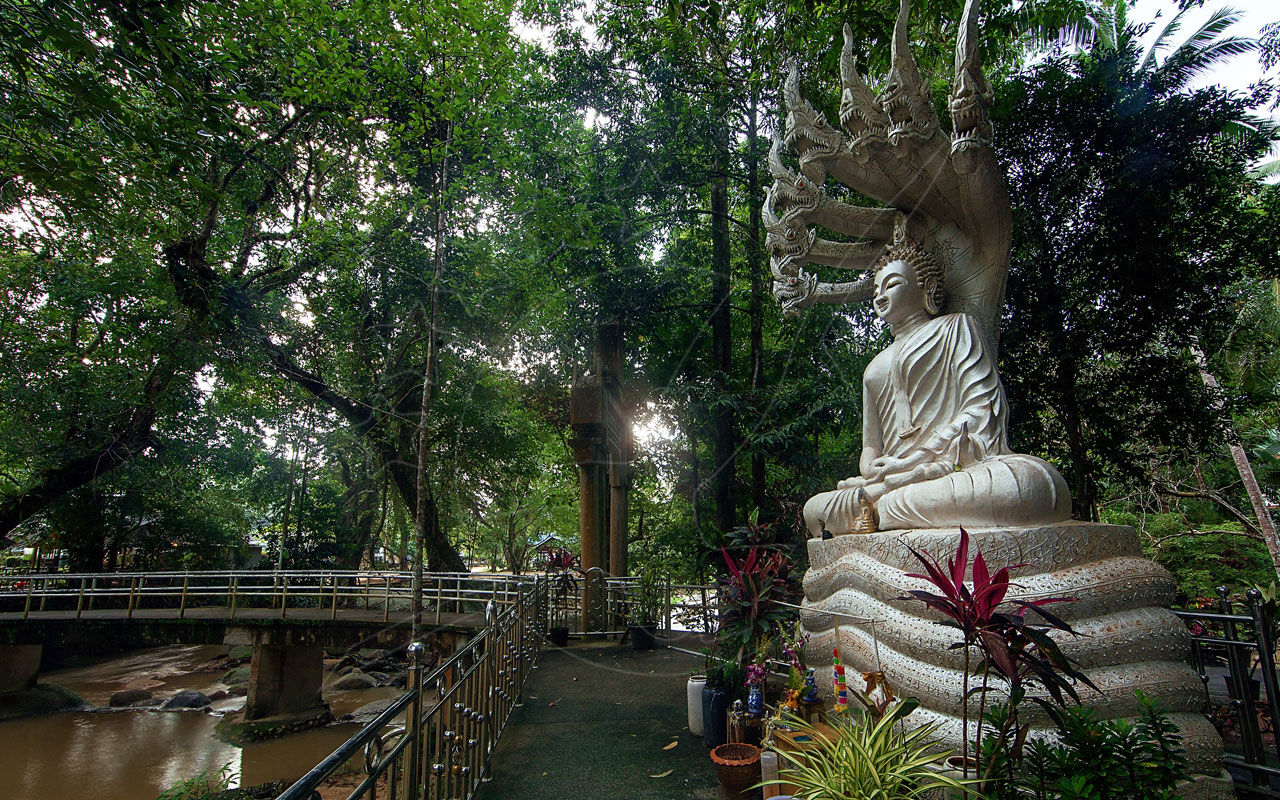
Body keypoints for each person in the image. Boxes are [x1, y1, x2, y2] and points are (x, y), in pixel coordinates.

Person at [803, 239, 1070, 535]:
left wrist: (920, 460)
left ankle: (883, 509)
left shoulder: (956, 328)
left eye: (891, 285)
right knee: (816, 510)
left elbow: (982, 408)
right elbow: (871, 448)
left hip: (945, 469)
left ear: (927, 287)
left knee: (1028, 483)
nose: (880, 297)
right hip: (890, 478)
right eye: (875, 291)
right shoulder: (873, 369)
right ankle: (884, 504)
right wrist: (871, 468)